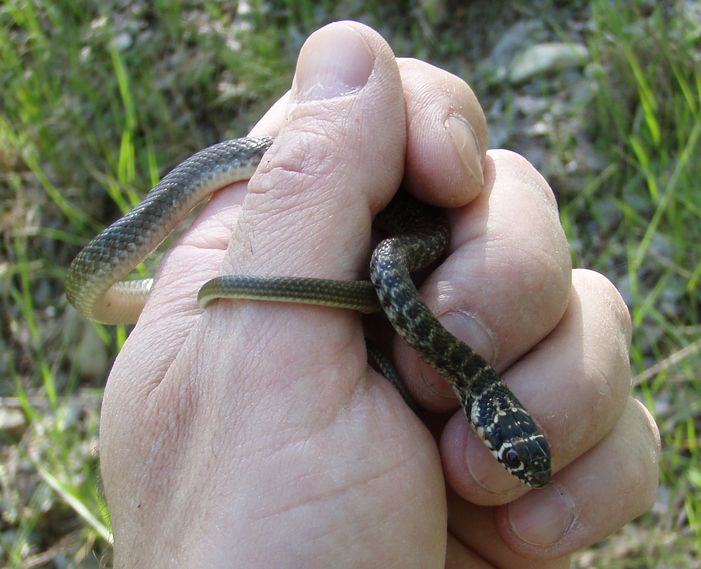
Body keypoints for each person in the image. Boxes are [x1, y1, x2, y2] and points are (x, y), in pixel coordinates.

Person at [99, 21, 660, 568]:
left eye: (511, 456)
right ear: (498, 420)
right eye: (513, 453)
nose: (513, 462)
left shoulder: (441, 340)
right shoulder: (435, 329)